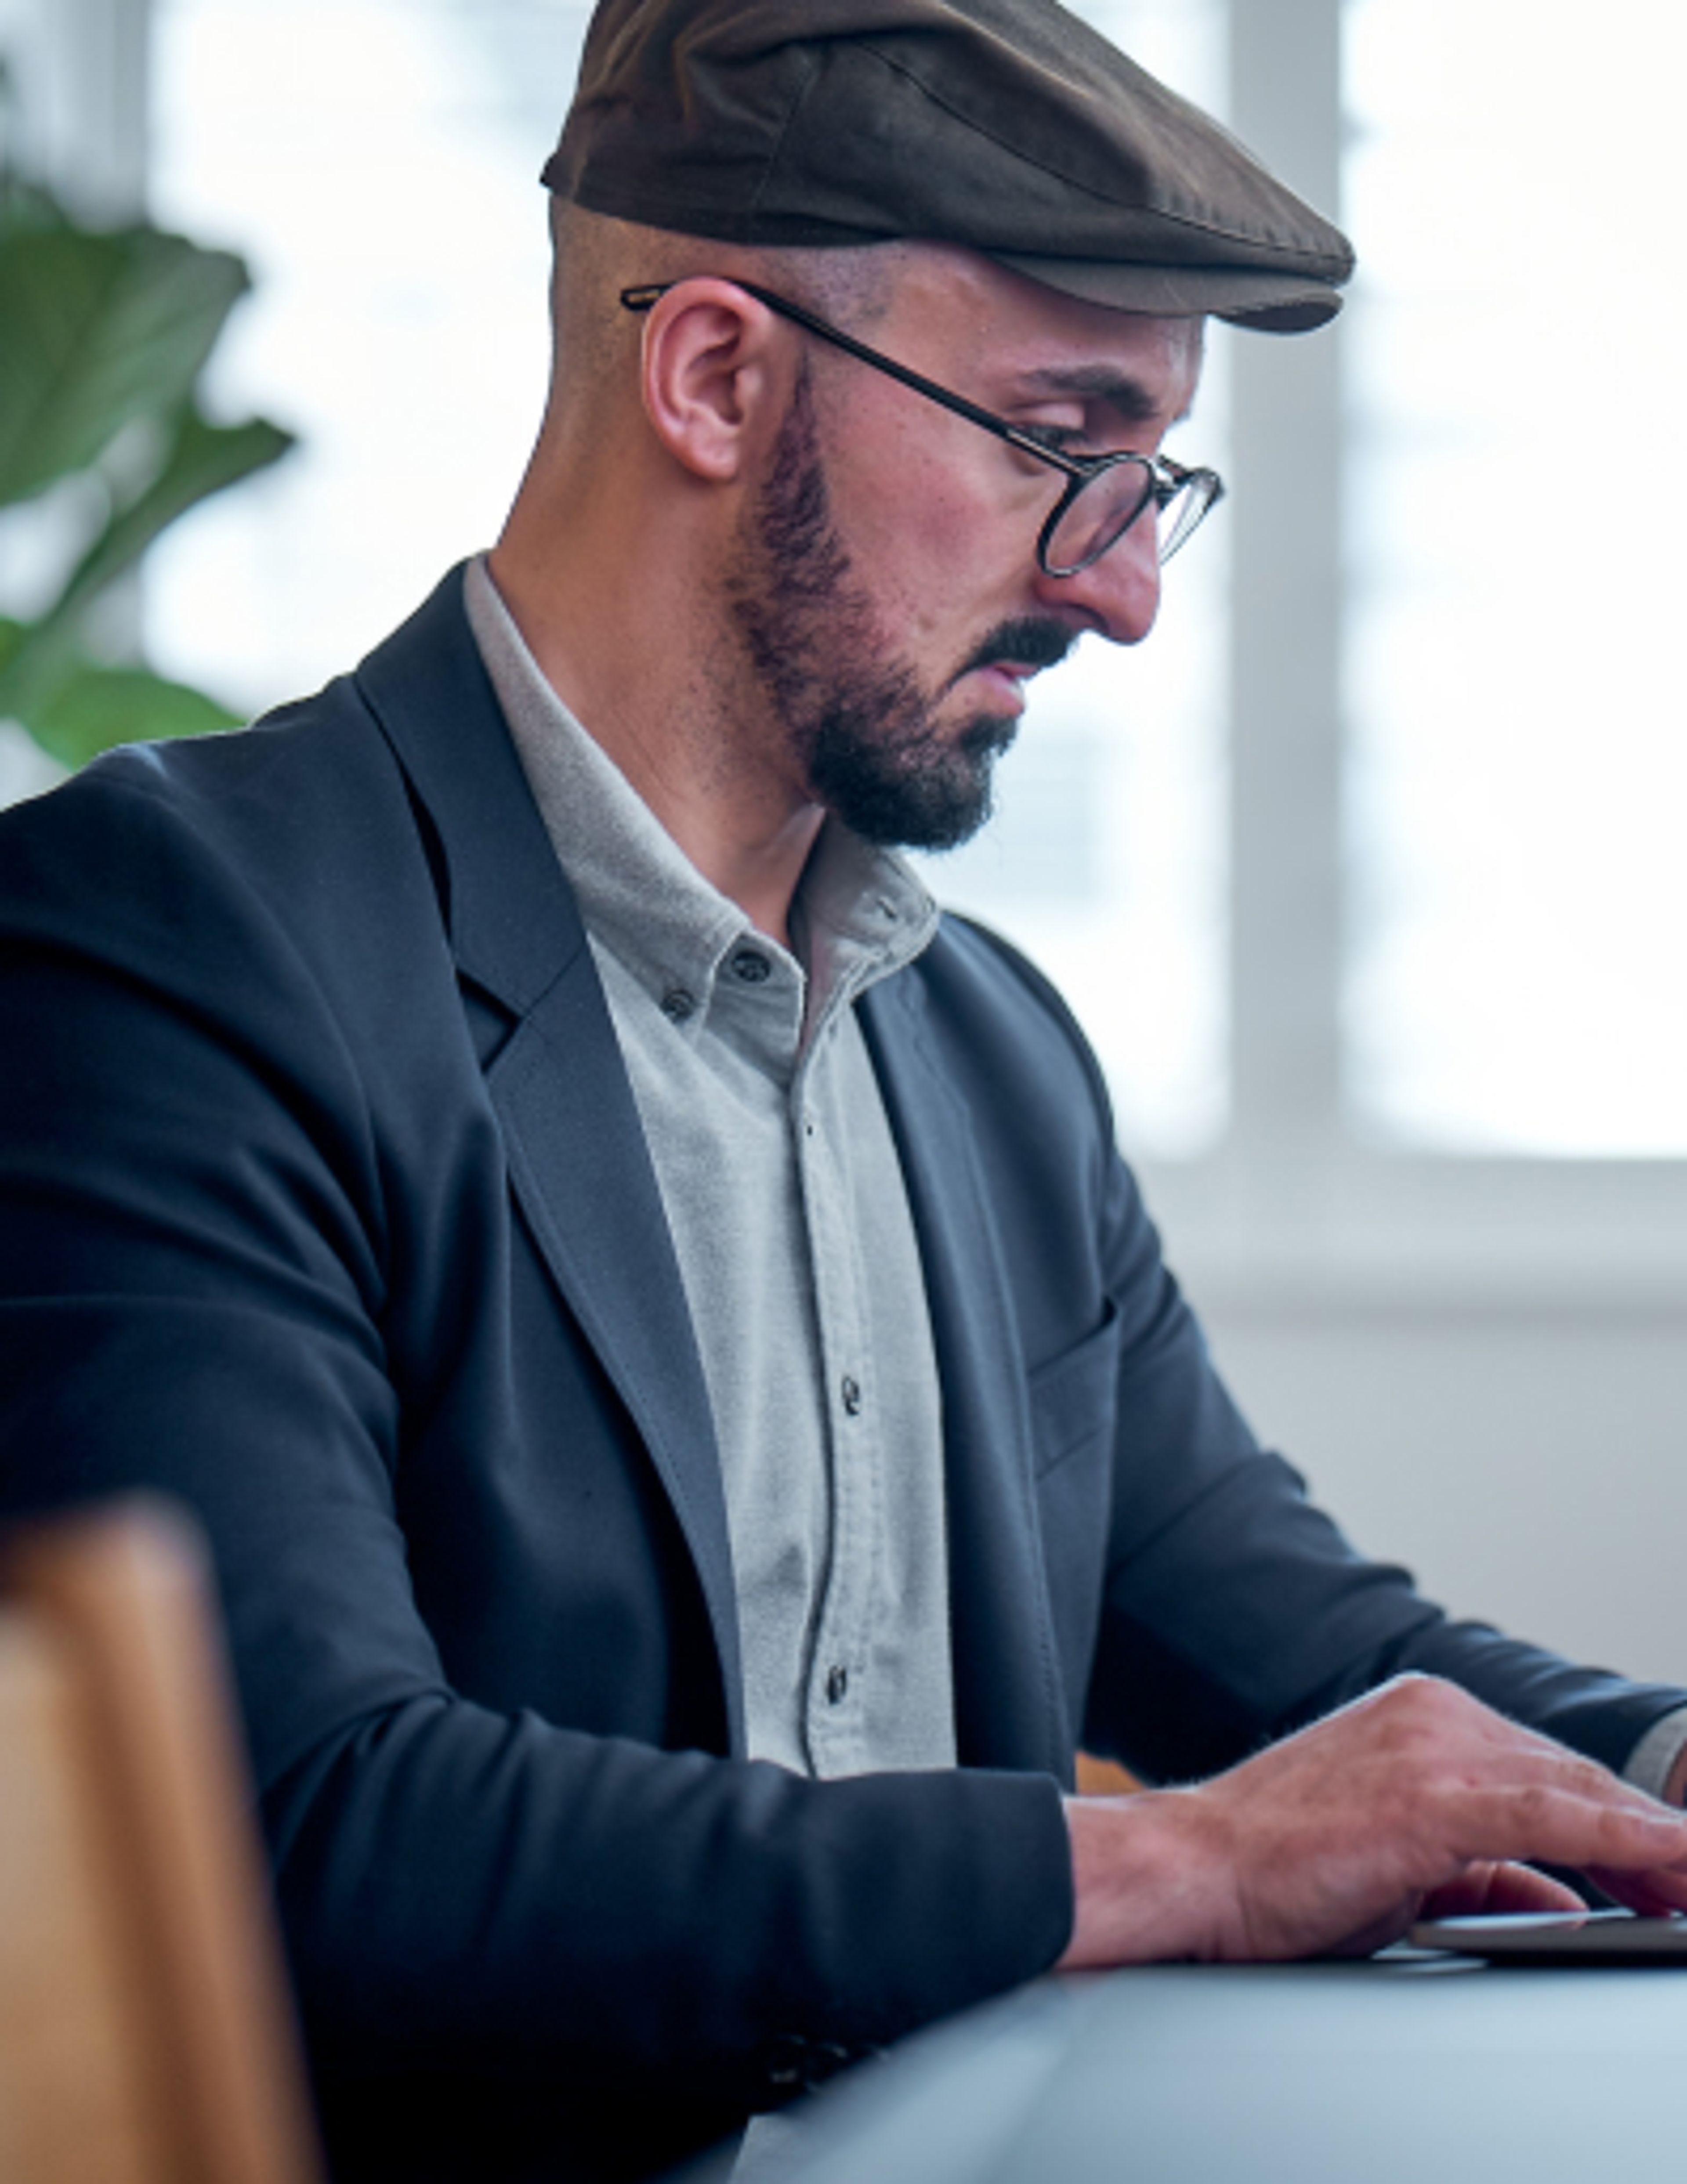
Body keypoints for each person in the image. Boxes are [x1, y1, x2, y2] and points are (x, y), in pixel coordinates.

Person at [3, 2, 1687, 2178]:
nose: (1123, 582)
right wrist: (1182, 1868)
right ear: (713, 374)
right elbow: (297, 1831)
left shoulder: (983, 1052)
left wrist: (1652, 1759)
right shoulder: (165, 946)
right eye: (1052, 438)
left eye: (1150, 466)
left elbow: (1305, 1658)